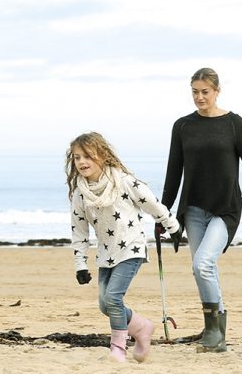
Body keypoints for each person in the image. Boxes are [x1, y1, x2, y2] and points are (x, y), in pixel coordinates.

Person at [161, 67, 242, 353]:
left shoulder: (233, 123)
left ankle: (214, 331)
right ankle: (216, 334)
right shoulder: (182, 126)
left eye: (205, 92)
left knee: (202, 264)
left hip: (225, 208)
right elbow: (173, 172)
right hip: (192, 208)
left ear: (217, 91)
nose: (200, 97)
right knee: (203, 268)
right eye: (195, 92)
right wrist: (162, 213)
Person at [66, 132, 182, 363]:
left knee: (113, 298)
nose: (82, 162)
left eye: (88, 156)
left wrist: (172, 226)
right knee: (104, 304)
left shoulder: (124, 182)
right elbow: (79, 231)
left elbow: (152, 203)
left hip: (131, 247)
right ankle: (142, 327)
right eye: (77, 157)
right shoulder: (80, 193)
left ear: (103, 156)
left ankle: (118, 349)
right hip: (105, 253)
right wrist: (80, 264)